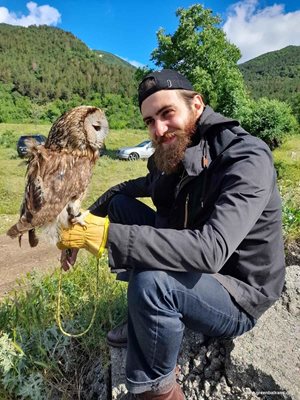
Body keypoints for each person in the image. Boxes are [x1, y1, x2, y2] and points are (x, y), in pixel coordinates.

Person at [58, 69, 286, 400]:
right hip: (196, 267)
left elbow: (211, 250)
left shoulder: (245, 157)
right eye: (150, 121)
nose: (159, 129)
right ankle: (143, 320)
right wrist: (87, 219)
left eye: (167, 114)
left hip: (238, 292)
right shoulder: (178, 150)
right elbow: (133, 188)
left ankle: (158, 391)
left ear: (196, 104)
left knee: (152, 281)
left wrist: (106, 235)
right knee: (121, 206)